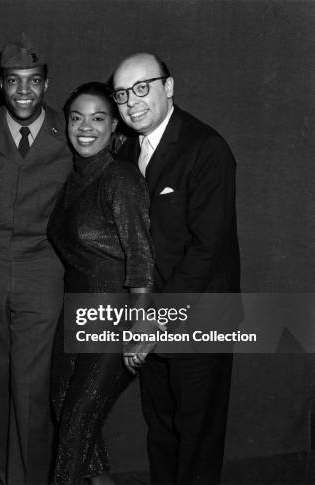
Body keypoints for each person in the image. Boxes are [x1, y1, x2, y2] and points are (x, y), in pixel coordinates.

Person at [112, 53, 241, 485]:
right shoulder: (128, 148)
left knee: (198, 437)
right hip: (152, 317)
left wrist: (153, 320)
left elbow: (206, 252)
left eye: (142, 88)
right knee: (162, 431)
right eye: (122, 94)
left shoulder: (206, 148)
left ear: (169, 88)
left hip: (200, 317)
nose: (131, 102)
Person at [0, 34, 73, 485]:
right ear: (1, 85)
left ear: (46, 84)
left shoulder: (70, 130)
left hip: (41, 267)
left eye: (33, 81)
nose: (24, 91)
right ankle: (2, 473)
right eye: (14, 81)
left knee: (31, 387)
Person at [47, 82, 155, 485]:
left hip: (114, 312)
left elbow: (142, 255)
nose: (85, 127)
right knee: (64, 405)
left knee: (76, 423)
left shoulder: (121, 179)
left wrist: (141, 322)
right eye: (76, 118)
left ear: (115, 128)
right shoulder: (75, 179)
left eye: (97, 118)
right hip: (77, 307)